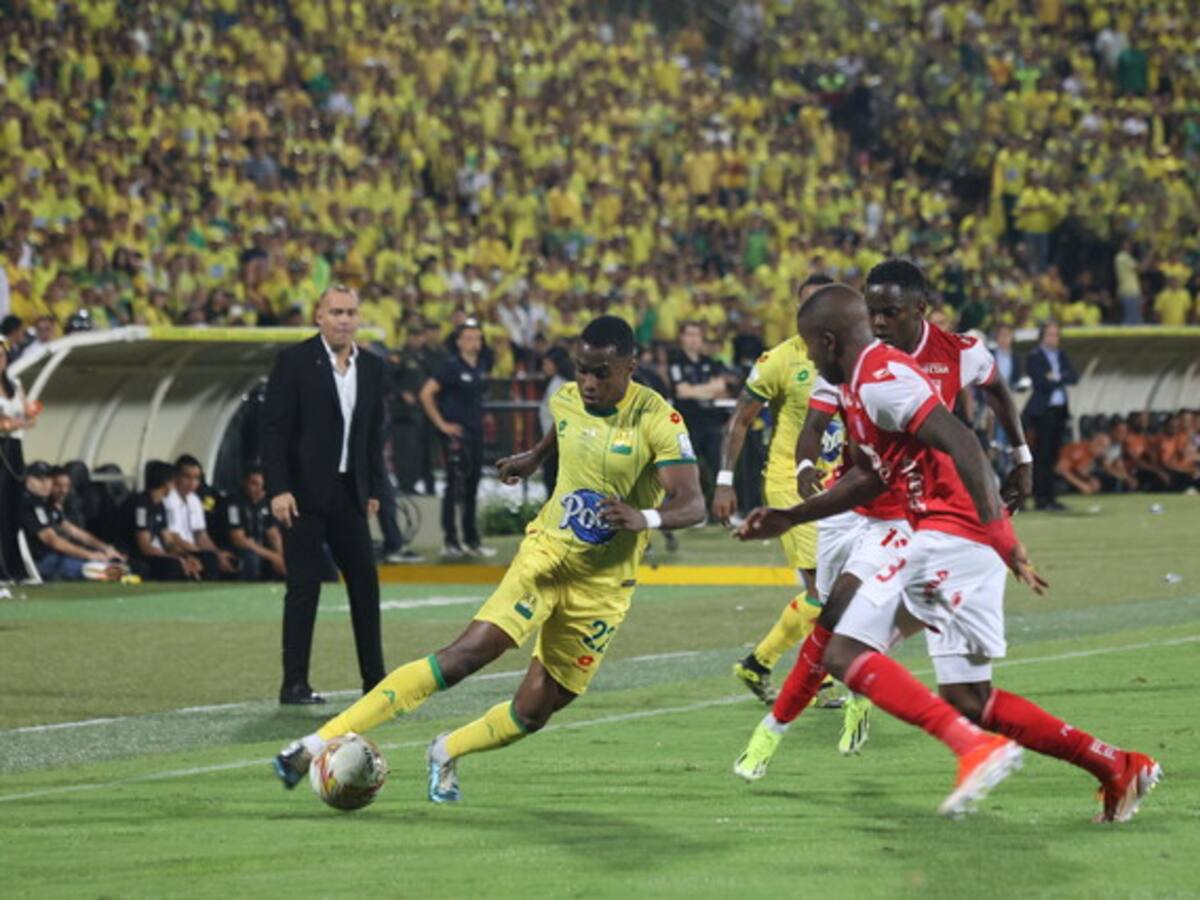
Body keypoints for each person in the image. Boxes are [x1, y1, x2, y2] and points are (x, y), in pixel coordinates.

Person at [734, 284, 1160, 822]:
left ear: (827, 339)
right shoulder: (858, 382)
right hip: (949, 536)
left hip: (952, 535)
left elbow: (964, 443)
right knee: (969, 697)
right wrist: (794, 516)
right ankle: (1116, 765)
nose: (811, 359)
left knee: (844, 652)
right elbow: (869, 477)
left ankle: (973, 748)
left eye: (812, 349)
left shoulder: (882, 381)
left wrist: (1000, 535)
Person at [272, 315, 705, 803]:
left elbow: (692, 504)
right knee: (464, 657)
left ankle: (445, 750)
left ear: (631, 365)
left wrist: (642, 517)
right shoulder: (567, 397)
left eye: (601, 372)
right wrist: (534, 458)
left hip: (604, 587)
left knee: (536, 710)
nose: (587, 382)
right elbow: (565, 427)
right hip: (547, 557)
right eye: (581, 369)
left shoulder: (659, 419)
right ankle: (312, 744)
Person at [711, 274, 845, 709]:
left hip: (838, 486)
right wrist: (725, 481)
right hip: (791, 484)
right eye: (807, 307)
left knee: (832, 590)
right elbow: (741, 419)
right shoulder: (780, 360)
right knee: (823, 592)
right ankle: (803, 675)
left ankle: (761, 665)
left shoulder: (852, 356)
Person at [261, 285, 388, 705]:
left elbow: (371, 436)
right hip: (302, 493)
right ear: (318, 316)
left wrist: (372, 489)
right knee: (304, 586)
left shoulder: (371, 367)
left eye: (351, 312)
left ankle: (376, 681)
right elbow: (274, 431)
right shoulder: (294, 362)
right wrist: (278, 488)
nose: (344, 319)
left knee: (366, 585)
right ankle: (293, 683)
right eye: (336, 311)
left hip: (349, 491)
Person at [420, 318, 496, 559]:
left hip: (476, 432)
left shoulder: (482, 365)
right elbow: (426, 393)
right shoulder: (451, 367)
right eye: (469, 338)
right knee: (454, 485)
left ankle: (472, 539)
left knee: (473, 484)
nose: (474, 343)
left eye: (478, 338)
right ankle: (451, 540)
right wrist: (442, 424)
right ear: (459, 342)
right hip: (457, 434)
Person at [20, 461, 126, 582]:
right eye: (39, 479)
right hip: (39, 561)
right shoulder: (28, 504)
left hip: (53, 557)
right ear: (27, 479)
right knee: (96, 569)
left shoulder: (45, 505)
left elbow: (74, 531)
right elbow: (52, 540)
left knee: (109, 565)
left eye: (49, 479)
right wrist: (91, 555)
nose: (46, 484)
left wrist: (106, 548)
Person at [668, 321, 732, 487]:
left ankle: (718, 507)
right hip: (688, 422)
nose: (693, 339)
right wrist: (707, 389)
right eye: (689, 335)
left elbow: (721, 387)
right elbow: (682, 391)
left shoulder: (709, 361)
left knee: (718, 466)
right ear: (682, 338)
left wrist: (694, 390)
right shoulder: (676, 360)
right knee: (690, 470)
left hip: (711, 422)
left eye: (697, 335)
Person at [1024, 320, 1078, 511]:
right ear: (1042, 336)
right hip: (1043, 411)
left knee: (1054, 454)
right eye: (1050, 334)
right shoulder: (1035, 356)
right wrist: (1059, 378)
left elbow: (1073, 376)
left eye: (1056, 335)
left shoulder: (1062, 355)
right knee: (1042, 455)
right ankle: (1041, 498)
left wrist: (1055, 377)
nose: (1054, 338)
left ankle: (1051, 497)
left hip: (1059, 410)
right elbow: (1040, 383)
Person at [126, 461, 203, 581]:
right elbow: (144, 546)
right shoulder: (140, 505)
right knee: (173, 565)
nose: (174, 486)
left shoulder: (160, 505)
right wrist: (175, 559)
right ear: (166, 483)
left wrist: (185, 556)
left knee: (193, 562)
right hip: (133, 554)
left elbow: (168, 541)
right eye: (173, 482)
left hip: (153, 553)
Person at [0, 336, 38, 581]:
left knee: (13, 508)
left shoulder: (14, 383)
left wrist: (14, 423)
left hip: (14, 448)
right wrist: (13, 423)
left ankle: (14, 567)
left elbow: (29, 416)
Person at [164, 454, 236, 579]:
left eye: (196, 478)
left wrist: (217, 553)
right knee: (210, 560)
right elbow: (173, 537)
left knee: (227, 558)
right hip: (175, 548)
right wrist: (200, 552)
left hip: (193, 548)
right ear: (176, 477)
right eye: (187, 477)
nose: (192, 483)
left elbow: (201, 535)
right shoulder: (169, 498)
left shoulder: (195, 500)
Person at [227, 465, 286, 581]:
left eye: (262, 485)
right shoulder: (234, 503)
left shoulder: (266, 503)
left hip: (262, 549)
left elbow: (273, 534)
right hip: (243, 550)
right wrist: (273, 556)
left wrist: (281, 556)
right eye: (254, 484)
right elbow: (238, 539)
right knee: (252, 558)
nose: (259, 489)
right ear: (245, 482)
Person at [536, 345, 573, 496]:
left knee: (554, 487)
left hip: (557, 445)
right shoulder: (557, 382)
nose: (544, 367)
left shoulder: (560, 385)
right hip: (555, 442)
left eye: (546, 364)